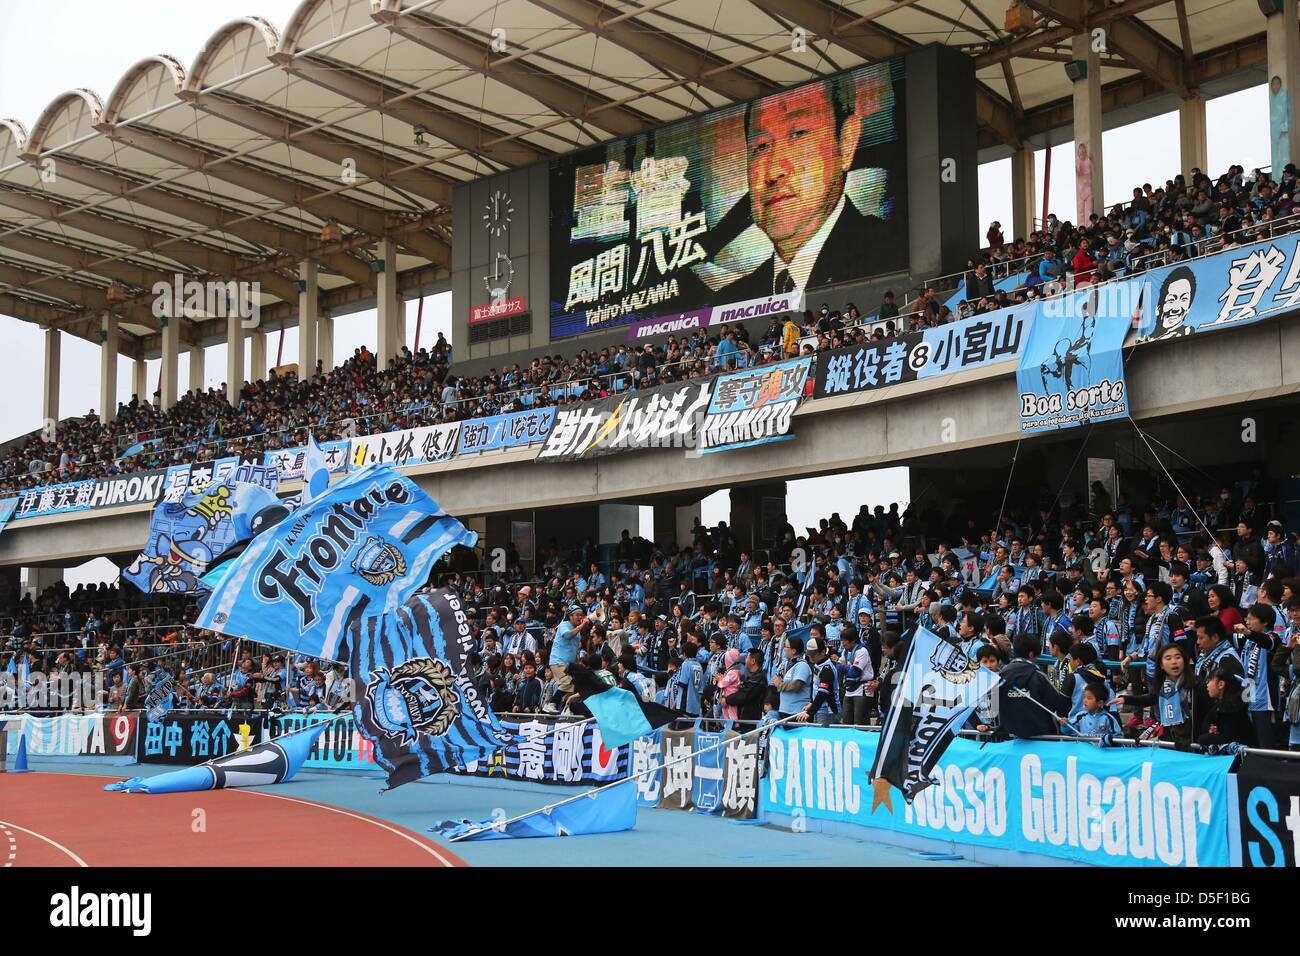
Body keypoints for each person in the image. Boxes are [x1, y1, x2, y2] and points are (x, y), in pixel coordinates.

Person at [717, 76, 897, 300]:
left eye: (799, 134)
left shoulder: (893, 254)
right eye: (761, 146)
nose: (774, 171)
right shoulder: (731, 299)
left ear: (847, 143)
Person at [794, 636, 838, 723]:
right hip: (819, 709)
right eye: (809, 654)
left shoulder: (827, 668)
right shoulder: (817, 664)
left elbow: (823, 693)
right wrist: (812, 703)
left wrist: (810, 712)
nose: (810, 657)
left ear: (822, 652)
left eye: (813, 654)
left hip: (827, 711)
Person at [1057, 683, 1123, 739]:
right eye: (1084, 697)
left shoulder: (1108, 718)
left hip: (1102, 752)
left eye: (1089, 698)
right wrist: (1065, 725)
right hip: (1084, 752)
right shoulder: (1080, 716)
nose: (1085, 700)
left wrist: (1108, 740)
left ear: (1100, 703)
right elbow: (1069, 731)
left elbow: (1119, 737)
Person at [839, 625, 874, 726]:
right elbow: (838, 667)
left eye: (844, 641)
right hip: (849, 688)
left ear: (853, 640)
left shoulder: (862, 651)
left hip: (862, 688)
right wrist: (847, 668)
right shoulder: (845, 651)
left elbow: (854, 673)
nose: (842, 643)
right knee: (846, 723)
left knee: (860, 722)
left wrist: (845, 667)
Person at [774, 634, 812, 718]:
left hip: (797, 711)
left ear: (794, 650)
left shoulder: (802, 665)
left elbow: (796, 685)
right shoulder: (785, 664)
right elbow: (775, 678)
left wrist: (780, 685)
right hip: (784, 709)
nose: (784, 649)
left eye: (786, 647)